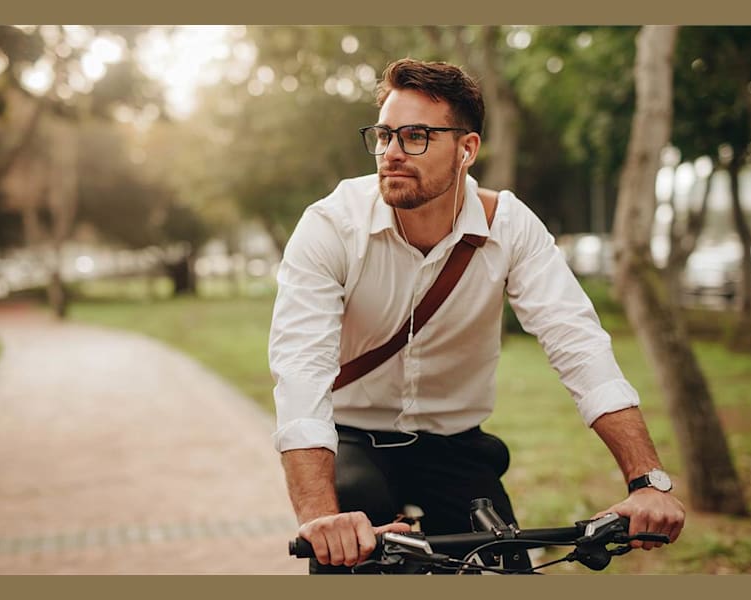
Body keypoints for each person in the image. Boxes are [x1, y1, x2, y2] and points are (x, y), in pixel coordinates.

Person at [268, 57, 685, 574]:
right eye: (384, 135)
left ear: (467, 149)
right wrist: (318, 517)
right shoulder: (331, 226)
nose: (392, 153)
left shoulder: (509, 227)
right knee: (348, 530)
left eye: (416, 136)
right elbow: (300, 369)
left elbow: (579, 346)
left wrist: (647, 481)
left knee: (504, 563)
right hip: (353, 436)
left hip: (455, 445)